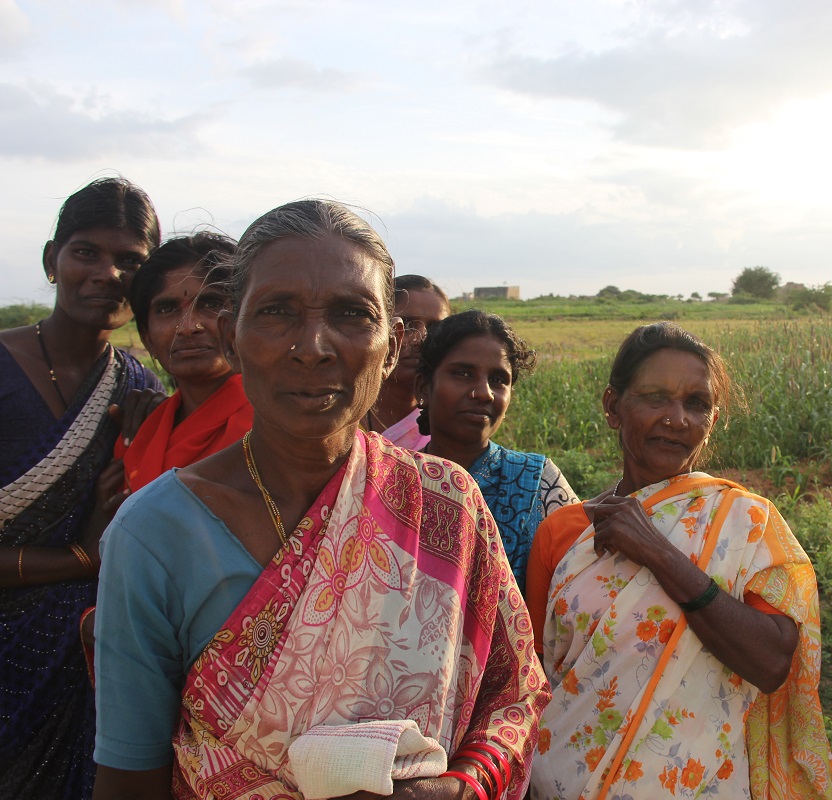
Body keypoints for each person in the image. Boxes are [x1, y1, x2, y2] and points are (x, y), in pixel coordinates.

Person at [92, 200, 549, 800]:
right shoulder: (154, 532)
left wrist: (460, 788)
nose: (312, 347)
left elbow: (513, 695)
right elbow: (130, 779)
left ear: (392, 347)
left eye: (351, 314)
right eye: (276, 312)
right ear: (233, 335)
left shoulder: (445, 503)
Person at [526, 322, 832, 800]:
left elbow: (772, 662)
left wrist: (657, 552)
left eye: (697, 403)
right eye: (655, 397)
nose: (678, 418)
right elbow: (535, 674)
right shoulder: (564, 532)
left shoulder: (745, 523)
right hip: (564, 780)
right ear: (613, 407)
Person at [0, 177, 163, 799]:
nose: (107, 273)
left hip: (85, 659)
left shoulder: (137, 391)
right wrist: (80, 560)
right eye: (86, 253)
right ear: (52, 261)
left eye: (130, 261)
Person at [414, 310, 578, 591]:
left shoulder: (539, 483)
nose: (484, 393)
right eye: (463, 374)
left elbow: (577, 589)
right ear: (424, 388)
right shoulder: (389, 478)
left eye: (498, 380)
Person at [116, 232, 252, 492]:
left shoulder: (280, 428)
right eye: (167, 309)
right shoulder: (141, 434)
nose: (188, 327)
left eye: (210, 303)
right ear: (147, 338)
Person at [369, 275, 452, 450]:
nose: (419, 339)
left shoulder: (449, 430)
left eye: (434, 328)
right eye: (406, 325)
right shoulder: (343, 420)